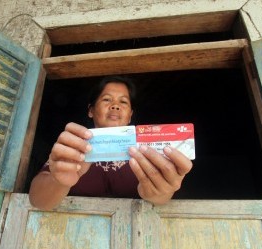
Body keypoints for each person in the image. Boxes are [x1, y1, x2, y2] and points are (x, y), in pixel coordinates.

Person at [29, 76, 192, 210]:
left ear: (130, 116)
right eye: (107, 99)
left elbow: (162, 197)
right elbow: (38, 201)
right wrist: (58, 182)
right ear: (91, 110)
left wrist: (161, 193)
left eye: (123, 102)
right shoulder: (73, 146)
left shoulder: (147, 151)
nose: (115, 106)